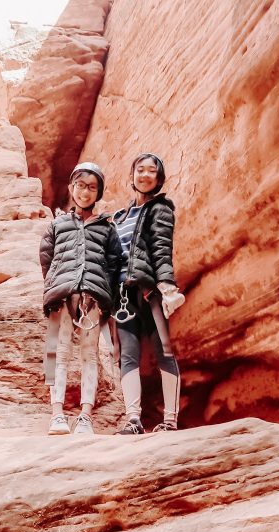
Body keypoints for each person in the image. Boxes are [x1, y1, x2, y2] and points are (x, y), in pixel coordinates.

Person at [40, 162, 122, 435]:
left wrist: (106, 299)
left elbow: (113, 265)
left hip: (93, 299)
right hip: (62, 297)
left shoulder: (106, 229)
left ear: (98, 193)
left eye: (92, 187)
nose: (85, 192)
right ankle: (57, 415)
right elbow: (46, 259)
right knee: (58, 354)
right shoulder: (57, 224)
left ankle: (85, 416)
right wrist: (53, 288)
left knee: (89, 356)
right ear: (71, 188)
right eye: (81, 186)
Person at [112, 153, 185, 435]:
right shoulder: (120, 216)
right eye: (139, 170)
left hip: (149, 291)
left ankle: (170, 421)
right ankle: (133, 421)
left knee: (164, 352)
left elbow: (161, 249)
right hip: (123, 296)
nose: (144, 175)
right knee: (128, 355)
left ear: (159, 177)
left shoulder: (161, 209)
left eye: (151, 171)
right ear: (132, 175)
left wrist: (165, 286)